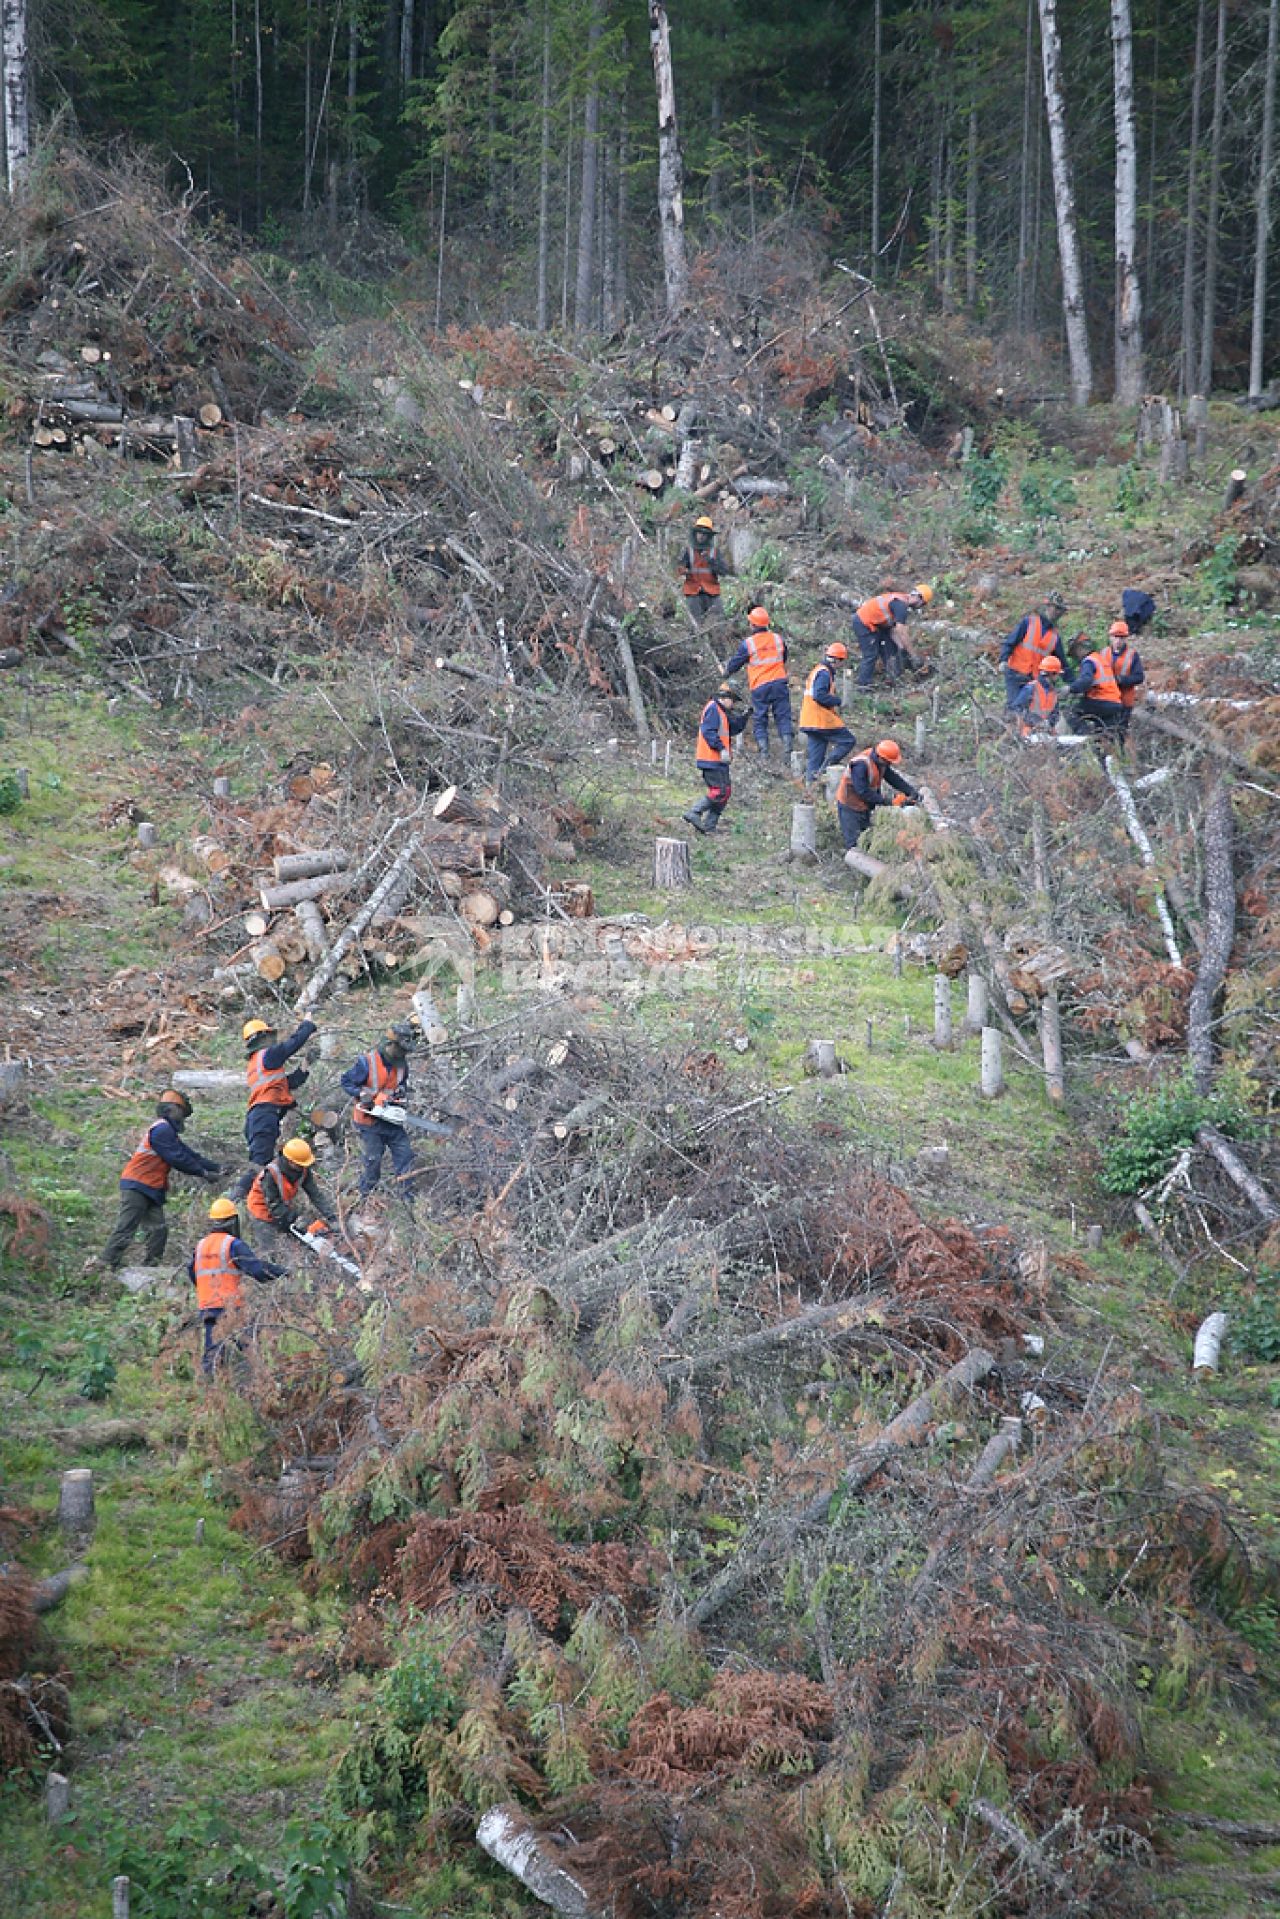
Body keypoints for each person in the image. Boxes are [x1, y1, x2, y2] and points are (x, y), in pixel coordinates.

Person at [102, 1091, 222, 1270]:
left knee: (159, 1230)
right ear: (172, 1109)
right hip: (138, 1185)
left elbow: (189, 1154)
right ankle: (106, 1263)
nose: (183, 1118)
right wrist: (203, 1174)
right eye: (182, 1112)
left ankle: (151, 1268)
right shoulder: (162, 1130)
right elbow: (177, 1158)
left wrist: (217, 1167)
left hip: (149, 1188)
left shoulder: (167, 1133)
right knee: (126, 1227)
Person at [189, 1196, 284, 1377]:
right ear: (233, 1221)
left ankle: (211, 1388)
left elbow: (192, 1272)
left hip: (207, 1305)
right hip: (230, 1306)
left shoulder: (201, 1245)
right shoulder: (233, 1244)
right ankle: (260, 1379)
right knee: (250, 1346)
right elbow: (257, 1270)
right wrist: (281, 1272)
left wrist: (206, 1290)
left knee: (213, 1351)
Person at [341, 1023, 418, 1197]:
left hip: (391, 1119)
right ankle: (366, 1197)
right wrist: (361, 1094)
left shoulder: (402, 1065)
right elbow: (346, 1081)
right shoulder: (367, 1062)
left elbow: (401, 1084)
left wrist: (401, 1092)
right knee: (372, 1162)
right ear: (391, 1045)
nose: (403, 1055)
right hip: (369, 1121)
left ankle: (407, 1197)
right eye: (401, 1051)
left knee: (405, 1155)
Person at [242, 1016, 318, 1166]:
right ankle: (249, 1189)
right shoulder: (268, 1055)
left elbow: (288, 1084)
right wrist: (307, 1025)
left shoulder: (257, 1063)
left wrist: (305, 1064)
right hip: (264, 1116)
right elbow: (293, 1043)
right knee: (260, 1166)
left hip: (259, 1117)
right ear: (263, 1036)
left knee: (263, 1163)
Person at [723, 606, 793, 763]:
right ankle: (788, 750)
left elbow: (736, 663)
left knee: (760, 718)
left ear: (752, 625)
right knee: (783, 716)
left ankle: (764, 753)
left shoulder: (748, 644)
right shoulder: (777, 639)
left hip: (760, 686)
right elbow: (784, 656)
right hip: (779, 682)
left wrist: (726, 673)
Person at [682, 682, 748, 835]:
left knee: (725, 792)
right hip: (711, 758)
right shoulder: (713, 708)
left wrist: (745, 716)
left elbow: (733, 728)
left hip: (719, 760)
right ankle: (694, 812)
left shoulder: (722, 711)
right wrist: (721, 748)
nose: (733, 704)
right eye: (733, 700)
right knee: (719, 791)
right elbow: (708, 731)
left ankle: (709, 827)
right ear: (725, 697)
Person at [241, 1137, 334, 1241]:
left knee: (303, 1242)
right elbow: (274, 1206)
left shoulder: (303, 1169)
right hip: (262, 1213)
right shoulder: (271, 1175)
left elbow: (315, 1194)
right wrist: (298, 1219)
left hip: (283, 1208)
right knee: (272, 1250)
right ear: (290, 1161)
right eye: (299, 1165)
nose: (302, 1167)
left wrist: (331, 1216)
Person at [835, 739, 920, 850]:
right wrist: (889, 801)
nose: (889, 764)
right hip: (850, 806)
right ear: (881, 757)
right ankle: (853, 861)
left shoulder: (880, 762)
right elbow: (862, 791)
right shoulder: (860, 765)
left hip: (864, 805)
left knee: (866, 838)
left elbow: (892, 778)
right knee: (853, 843)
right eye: (888, 762)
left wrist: (910, 791)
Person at [1071, 621, 1145, 742]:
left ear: (1126, 638)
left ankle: (1118, 756)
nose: (1118, 641)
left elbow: (1139, 677)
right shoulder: (1103, 653)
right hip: (1105, 698)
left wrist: (1121, 680)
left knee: (1118, 734)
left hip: (1124, 701)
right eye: (1116, 637)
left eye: (1121, 637)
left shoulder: (1132, 655)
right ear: (1110, 637)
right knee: (1102, 733)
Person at [851, 585, 933, 688]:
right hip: (863, 622)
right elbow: (901, 632)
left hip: (879, 625)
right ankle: (863, 685)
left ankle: (894, 678)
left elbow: (893, 631)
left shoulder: (900, 601)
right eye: (922, 604)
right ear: (919, 599)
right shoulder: (900, 606)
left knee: (890, 648)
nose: (920, 607)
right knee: (871, 654)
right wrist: (913, 655)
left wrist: (902, 649)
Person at [798, 643, 856, 789]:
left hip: (810, 720)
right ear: (838, 660)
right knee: (848, 740)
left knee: (815, 758)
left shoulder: (818, 670)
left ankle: (811, 788)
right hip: (821, 720)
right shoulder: (824, 673)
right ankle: (826, 768)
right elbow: (820, 695)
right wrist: (837, 701)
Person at [998, 593, 1068, 709]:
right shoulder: (1028, 622)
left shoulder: (1055, 637)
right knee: (1014, 708)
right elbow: (1010, 641)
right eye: (1056, 608)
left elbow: (1063, 665)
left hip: (1033, 680)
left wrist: (1071, 686)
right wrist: (1003, 660)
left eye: (1060, 610)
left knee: (1025, 710)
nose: (1058, 612)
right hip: (1015, 673)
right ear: (1048, 606)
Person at [677, 516, 724, 620]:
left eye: (704, 534)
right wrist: (684, 571)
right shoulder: (688, 551)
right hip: (693, 591)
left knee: (718, 621)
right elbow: (679, 567)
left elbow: (723, 571)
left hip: (712, 592)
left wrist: (710, 561)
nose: (701, 536)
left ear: (709, 536)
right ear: (695, 534)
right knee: (696, 624)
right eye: (699, 533)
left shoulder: (715, 552)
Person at [1010, 657, 1064, 739]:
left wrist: (1049, 723)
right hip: (1029, 730)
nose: (1058, 676)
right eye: (1057, 674)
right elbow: (1017, 708)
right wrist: (1033, 722)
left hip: (1046, 731)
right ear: (1051, 673)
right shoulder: (1031, 688)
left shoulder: (1053, 692)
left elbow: (1055, 714)